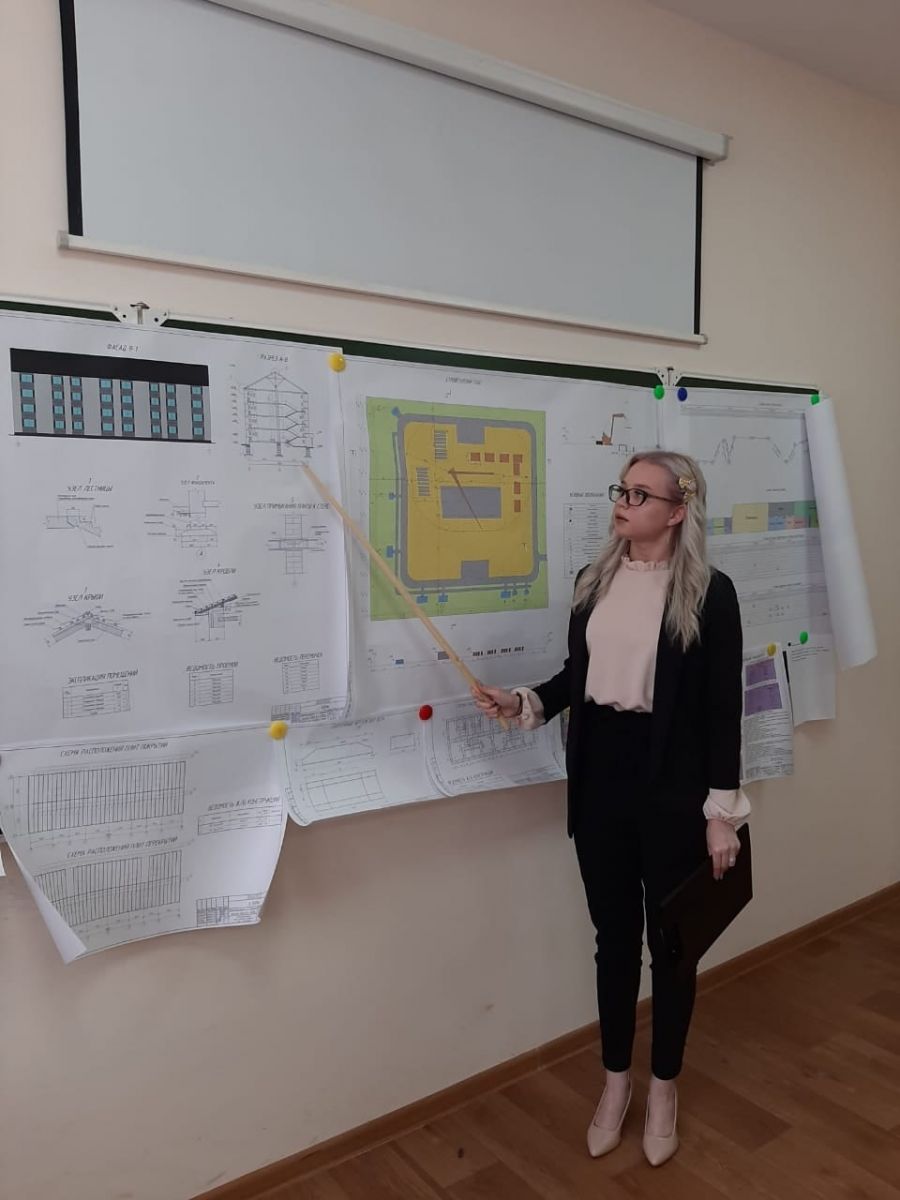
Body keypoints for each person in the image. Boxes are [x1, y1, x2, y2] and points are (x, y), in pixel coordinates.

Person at [472, 450, 749, 1168]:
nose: (622, 502)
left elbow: (722, 709)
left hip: (673, 786)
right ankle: (616, 1080)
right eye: (620, 490)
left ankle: (663, 1088)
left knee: (672, 946)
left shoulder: (710, 594)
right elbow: (580, 675)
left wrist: (721, 811)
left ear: (677, 511)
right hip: (600, 780)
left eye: (639, 493)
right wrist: (525, 701)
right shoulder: (592, 581)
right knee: (614, 941)